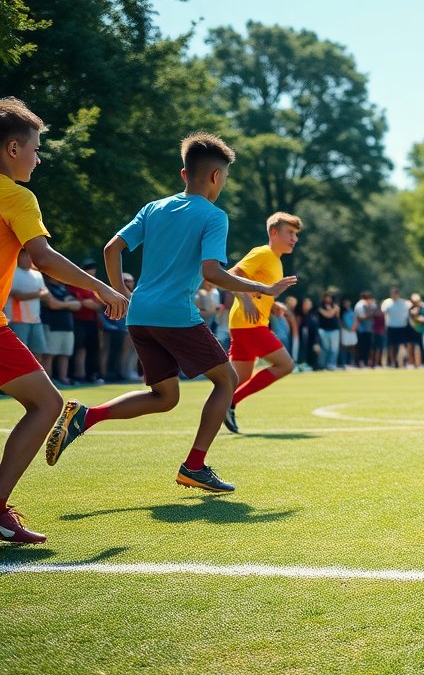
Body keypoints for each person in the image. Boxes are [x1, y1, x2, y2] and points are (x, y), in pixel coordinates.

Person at [47, 132, 296, 496]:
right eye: (224, 176)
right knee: (226, 382)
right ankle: (194, 466)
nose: (223, 183)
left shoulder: (153, 208)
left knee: (165, 397)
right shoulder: (214, 216)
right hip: (175, 315)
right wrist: (262, 289)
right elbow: (212, 272)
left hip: (140, 315)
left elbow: (111, 248)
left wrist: (118, 292)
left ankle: (86, 416)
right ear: (215, 176)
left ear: (184, 174)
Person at [0, 97, 128, 544]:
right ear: (13, 148)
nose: (38, 158)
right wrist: (102, 288)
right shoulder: (14, 194)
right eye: (35, 148)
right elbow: (43, 257)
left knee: (45, 402)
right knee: (47, 404)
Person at [219, 212, 301, 434]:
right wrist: (243, 298)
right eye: (290, 233)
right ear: (274, 233)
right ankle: (230, 403)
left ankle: (219, 407)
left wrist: (274, 305)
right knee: (286, 365)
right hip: (250, 325)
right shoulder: (263, 253)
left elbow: (260, 288)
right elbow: (231, 274)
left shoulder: (275, 260)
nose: (294, 238)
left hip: (245, 324)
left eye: (296, 234)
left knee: (240, 378)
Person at [6, 249, 48, 361]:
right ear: (18, 258)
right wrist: (38, 293)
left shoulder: (37, 274)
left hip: (36, 320)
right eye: (24, 256)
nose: (28, 259)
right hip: (17, 320)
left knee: (38, 352)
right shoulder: (13, 273)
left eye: (30, 256)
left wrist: (34, 294)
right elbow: (17, 296)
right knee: (19, 354)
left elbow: (46, 292)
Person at [69, 259, 105, 383]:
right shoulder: (74, 283)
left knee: (93, 348)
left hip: (93, 321)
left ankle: (91, 375)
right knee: (79, 348)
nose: (92, 270)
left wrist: (93, 304)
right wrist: (89, 303)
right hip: (78, 320)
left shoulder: (95, 286)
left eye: (93, 268)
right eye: (89, 268)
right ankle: (79, 375)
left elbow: (99, 303)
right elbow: (81, 301)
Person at [39, 275, 78, 384]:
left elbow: (78, 305)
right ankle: (49, 381)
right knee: (49, 355)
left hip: (67, 326)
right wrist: (68, 304)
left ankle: (63, 379)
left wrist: (62, 304)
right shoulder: (45, 287)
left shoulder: (64, 288)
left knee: (65, 354)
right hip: (52, 326)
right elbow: (53, 304)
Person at [382, 286, 411, 368]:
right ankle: (393, 362)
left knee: (401, 345)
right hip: (391, 326)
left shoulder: (404, 303)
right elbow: (383, 313)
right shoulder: (387, 302)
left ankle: (401, 362)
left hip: (401, 326)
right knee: (391, 345)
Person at [316, 291, 341, 370]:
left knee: (334, 348)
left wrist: (334, 310)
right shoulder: (320, 306)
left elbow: (337, 317)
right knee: (325, 348)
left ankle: (331, 364)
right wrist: (334, 310)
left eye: (329, 297)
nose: (328, 299)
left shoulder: (335, 306)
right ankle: (323, 364)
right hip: (323, 329)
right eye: (326, 297)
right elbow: (328, 315)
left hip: (334, 330)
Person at [354, 290, 377, 367]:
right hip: (362, 330)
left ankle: (365, 362)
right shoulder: (360, 305)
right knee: (361, 347)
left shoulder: (365, 305)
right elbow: (361, 318)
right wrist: (371, 314)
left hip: (367, 329)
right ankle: (361, 363)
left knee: (367, 347)